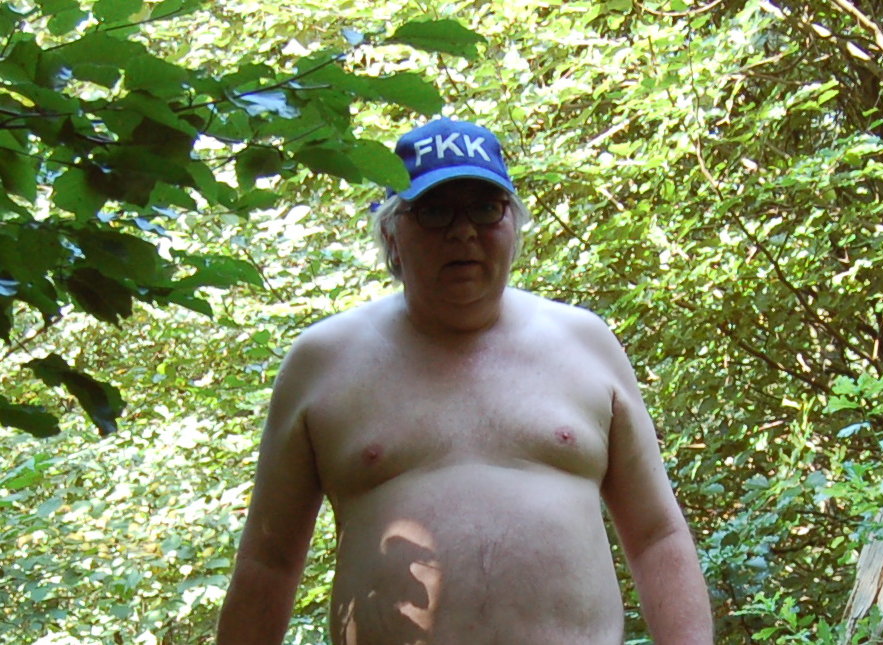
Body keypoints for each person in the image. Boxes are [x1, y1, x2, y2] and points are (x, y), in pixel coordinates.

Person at [216, 118, 714, 644]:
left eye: (485, 208)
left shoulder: (585, 343)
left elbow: (657, 536)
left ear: (513, 224)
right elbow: (268, 561)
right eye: (434, 210)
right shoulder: (324, 362)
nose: (463, 231)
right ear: (390, 233)